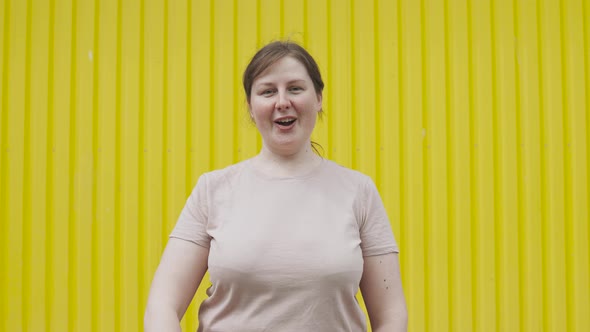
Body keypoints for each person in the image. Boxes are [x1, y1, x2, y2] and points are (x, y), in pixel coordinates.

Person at [144, 41, 408, 332]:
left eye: (295, 88)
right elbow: (163, 303)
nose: (282, 101)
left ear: (318, 98)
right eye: (268, 91)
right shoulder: (213, 190)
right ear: (251, 106)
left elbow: (391, 315)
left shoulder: (359, 192)